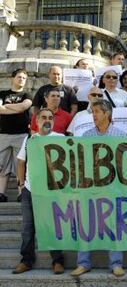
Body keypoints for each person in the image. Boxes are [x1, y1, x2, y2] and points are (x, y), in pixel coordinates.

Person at [70, 99, 126, 278]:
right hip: (90, 188)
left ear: (107, 114)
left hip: (113, 188)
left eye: (96, 112)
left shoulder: (120, 135)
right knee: (86, 225)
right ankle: (83, 263)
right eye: (92, 112)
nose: (93, 115)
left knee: (115, 226)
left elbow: (125, 164)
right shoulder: (86, 136)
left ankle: (116, 264)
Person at [12, 108, 65, 275]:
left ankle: (57, 261)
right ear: (37, 120)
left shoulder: (61, 139)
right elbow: (21, 162)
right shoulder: (29, 139)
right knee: (27, 227)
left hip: (52, 191)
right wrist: (21, 184)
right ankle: (26, 260)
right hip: (30, 189)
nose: (47, 120)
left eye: (50, 117)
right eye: (44, 117)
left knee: (52, 226)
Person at [0, 69, 32, 202]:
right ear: (12, 78)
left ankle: (21, 193)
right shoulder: (2, 93)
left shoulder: (27, 94)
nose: (21, 80)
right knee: (1, 165)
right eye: (19, 77)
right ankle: (1, 193)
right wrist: (15, 108)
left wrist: (7, 107)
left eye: (24, 78)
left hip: (21, 134)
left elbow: (23, 107)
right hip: (3, 134)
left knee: (21, 164)